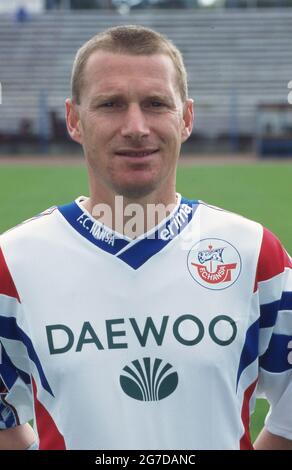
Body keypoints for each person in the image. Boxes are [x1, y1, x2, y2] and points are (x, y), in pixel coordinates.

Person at [0, 25, 291, 451]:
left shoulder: (254, 254)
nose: (135, 127)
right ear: (74, 120)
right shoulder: (14, 261)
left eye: (156, 104)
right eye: (111, 104)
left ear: (186, 118)